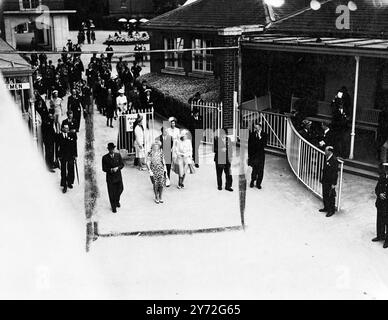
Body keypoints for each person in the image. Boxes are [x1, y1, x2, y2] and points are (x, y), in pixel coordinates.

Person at [102, 143, 124, 213]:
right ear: (108, 149)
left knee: (120, 189)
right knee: (111, 193)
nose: (112, 150)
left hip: (118, 176)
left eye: (113, 149)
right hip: (110, 178)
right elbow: (104, 168)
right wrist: (111, 170)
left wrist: (118, 168)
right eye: (110, 149)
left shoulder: (118, 155)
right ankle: (113, 206)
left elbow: (122, 165)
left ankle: (117, 201)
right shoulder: (105, 157)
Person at [56, 124, 78, 193]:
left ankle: (69, 182)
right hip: (63, 156)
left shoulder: (71, 135)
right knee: (63, 170)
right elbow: (57, 147)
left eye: (67, 128)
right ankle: (64, 185)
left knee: (71, 168)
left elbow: (74, 145)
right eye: (65, 128)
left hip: (70, 155)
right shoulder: (59, 136)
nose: (67, 129)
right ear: (62, 128)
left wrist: (75, 155)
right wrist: (58, 156)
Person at [319, 146, 339, 217]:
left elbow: (335, 172)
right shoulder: (327, 158)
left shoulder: (334, 160)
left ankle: (331, 210)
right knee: (325, 194)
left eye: (326, 151)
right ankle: (326, 207)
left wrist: (334, 183)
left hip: (330, 181)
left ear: (330, 151)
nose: (325, 152)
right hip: (325, 180)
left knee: (330, 196)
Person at [373, 163, 388, 248]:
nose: (385, 170)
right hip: (380, 203)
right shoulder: (382, 177)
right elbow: (377, 188)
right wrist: (380, 194)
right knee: (379, 220)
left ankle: (387, 241)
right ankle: (380, 236)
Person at [248, 122, 267, 189]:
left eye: (257, 128)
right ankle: (252, 181)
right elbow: (249, 145)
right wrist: (249, 156)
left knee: (260, 170)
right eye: (255, 128)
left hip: (261, 155)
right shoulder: (252, 134)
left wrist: (260, 137)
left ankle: (258, 183)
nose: (256, 129)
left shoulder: (264, 135)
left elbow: (264, 144)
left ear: (260, 128)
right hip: (254, 155)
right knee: (254, 169)